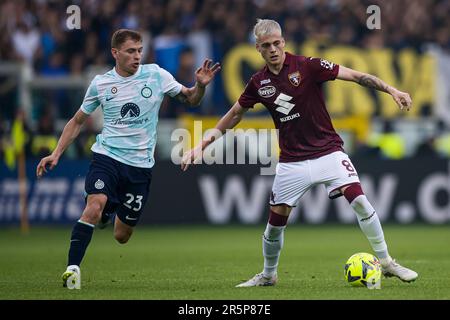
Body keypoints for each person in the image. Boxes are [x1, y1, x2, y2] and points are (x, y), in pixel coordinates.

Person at [181, 19, 418, 287]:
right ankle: (268, 275)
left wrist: (392, 90)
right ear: (258, 48)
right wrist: (201, 146)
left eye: (277, 43)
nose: (273, 49)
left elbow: (355, 76)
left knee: (361, 201)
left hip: (329, 152)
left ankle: (387, 262)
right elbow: (235, 114)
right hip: (291, 162)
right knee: (274, 225)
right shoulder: (258, 83)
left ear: (283, 42)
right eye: (266, 45)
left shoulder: (308, 66)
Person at [36, 29, 220, 289]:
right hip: (106, 157)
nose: (137, 56)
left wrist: (199, 85)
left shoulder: (156, 74)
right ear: (115, 53)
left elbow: (190, 99)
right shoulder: (100, 83)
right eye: (131, 51)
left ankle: (107, 212)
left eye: (139, 50)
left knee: (122, 235)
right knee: (93, 206)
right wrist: (56, 153)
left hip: (140, 167)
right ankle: (72, 270)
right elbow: (77, 121)